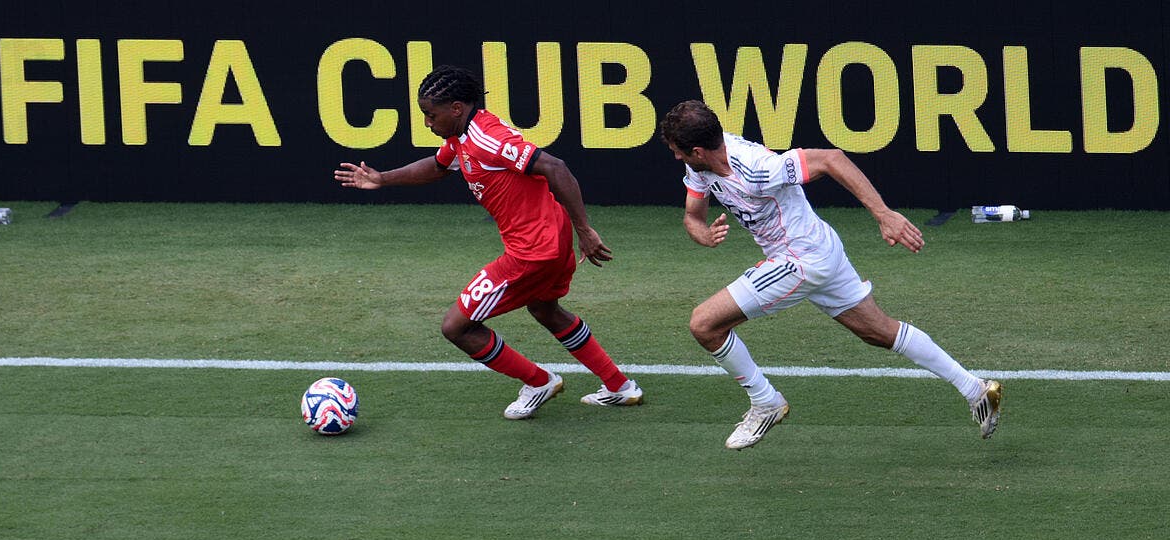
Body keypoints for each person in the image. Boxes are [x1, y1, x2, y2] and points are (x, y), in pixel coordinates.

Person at [659, 100, 1001, 450]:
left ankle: (766, 402)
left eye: (677, 152)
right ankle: (975, 389)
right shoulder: (701, 168)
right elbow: (693, 216)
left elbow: (831, 159)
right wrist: (700, 233)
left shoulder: (757, 168)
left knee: (704, 324)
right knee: (878, 332)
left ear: (698, 150)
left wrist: (883, 213)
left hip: (800, 260)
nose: (676, 158)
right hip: (821, 249)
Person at [334, 65, 643, 419]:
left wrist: (586, 230)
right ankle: (620, 386)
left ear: (455, 108)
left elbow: (555, 167)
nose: (427, 123)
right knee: (545, 309)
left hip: (532, 252)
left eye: (430, 115)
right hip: (551, 238)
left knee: (456, 327)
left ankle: (539, 381)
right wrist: (382, 179)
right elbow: (437, 166)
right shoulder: (464, 134)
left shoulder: (487, 139)